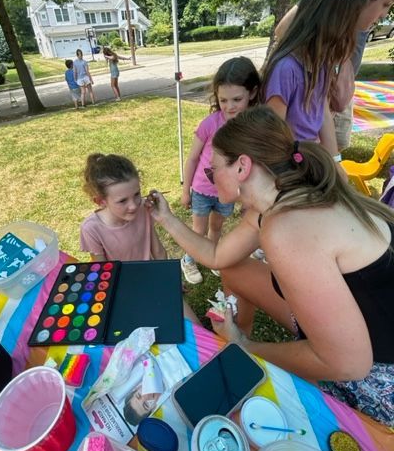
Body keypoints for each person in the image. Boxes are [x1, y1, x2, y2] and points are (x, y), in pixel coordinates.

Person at [146, 106, 394, 425]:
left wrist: (247, 346)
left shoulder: (288, 230)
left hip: (378, 374)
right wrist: (165, 218)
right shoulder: (279, 200)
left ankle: (238, 349)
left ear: (242, 168)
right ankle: (232, 349)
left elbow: (348, 364)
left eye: (212, 170)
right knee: (234, 270)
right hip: (360, 330)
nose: (209, 178)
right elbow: (220, 257)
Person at [276, 0, 394, 149]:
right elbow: (285, 29)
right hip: (303, 120)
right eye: (384, 4)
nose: (382, 15)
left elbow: (337, 102)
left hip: (322, 110)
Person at [262, 0, 394, 162]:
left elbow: (324, 110)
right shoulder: (287, 69)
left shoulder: (321, 64)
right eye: (385, 4)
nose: (385, 15)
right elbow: (271, 143)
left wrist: (335, 163)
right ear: (344, 10)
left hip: (311, 167)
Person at [80, 153, 201, 324]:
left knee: (196, 329)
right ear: (100, 201)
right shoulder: (91, 229)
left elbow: (158, 251)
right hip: (122, 290)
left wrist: (168, 281)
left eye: (137, 194)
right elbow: (102, 272)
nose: (133, 205)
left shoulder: (143, 210)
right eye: (122, 201)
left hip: (152, 279)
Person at [180, 57, 261, 284]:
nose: (229, 106)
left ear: (252, 93)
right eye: (223, 100)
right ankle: (188, 259)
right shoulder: (210, 123)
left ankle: (211, 256)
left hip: (227, 194)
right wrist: (186, 190)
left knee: (216, 228)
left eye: (237, 99)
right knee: (199, 230)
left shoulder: (251, 128)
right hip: (202, 190)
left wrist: (247, 199)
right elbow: (193, 158)